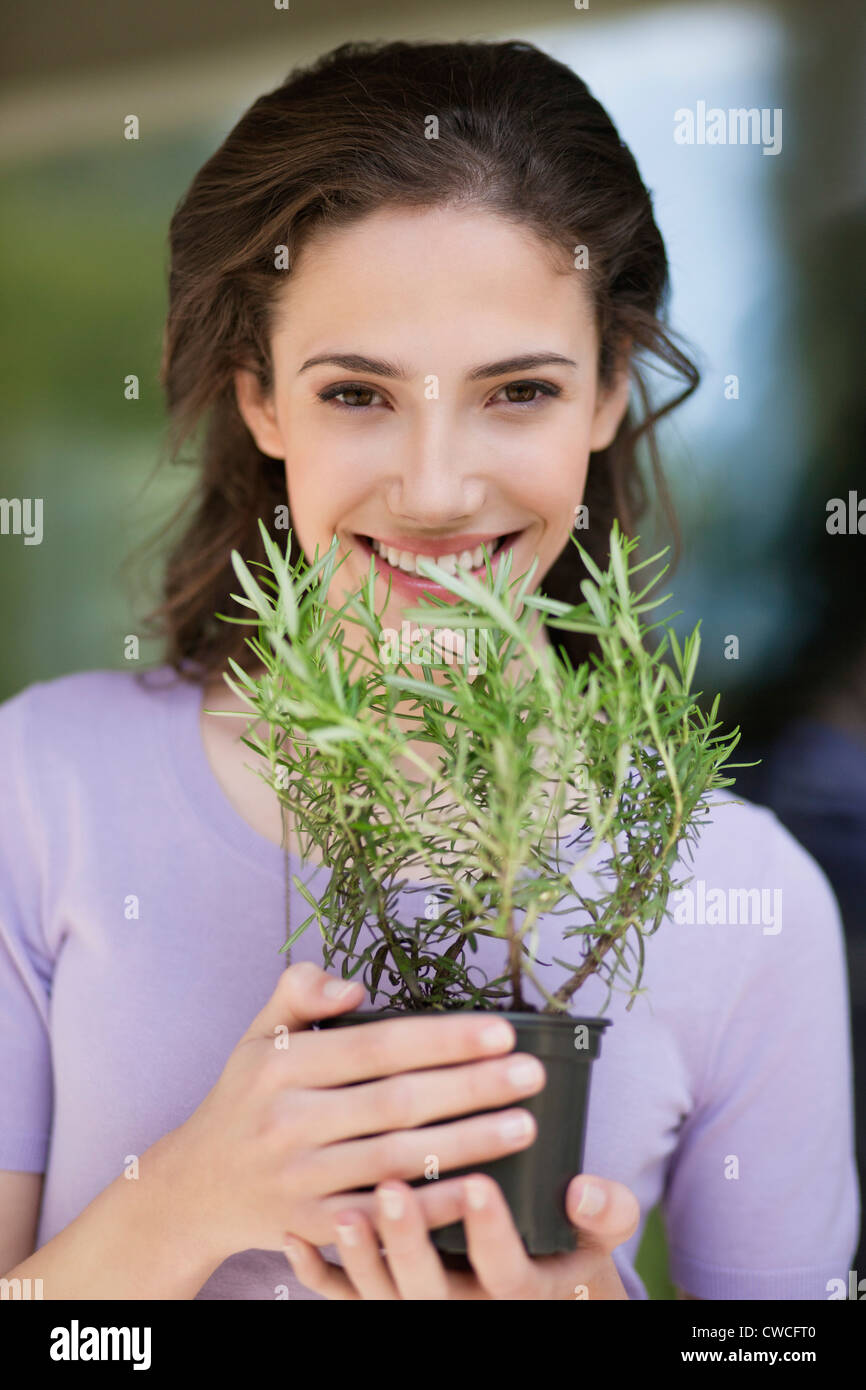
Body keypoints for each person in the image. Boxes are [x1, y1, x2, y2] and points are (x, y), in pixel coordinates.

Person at [0, 39, 858, 1301]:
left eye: (517, 390)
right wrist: (184, 1202)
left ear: (610, 391)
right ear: (261, 400)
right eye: (357, 394)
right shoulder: (43, 787)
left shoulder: (747, 896)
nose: (437, 488)